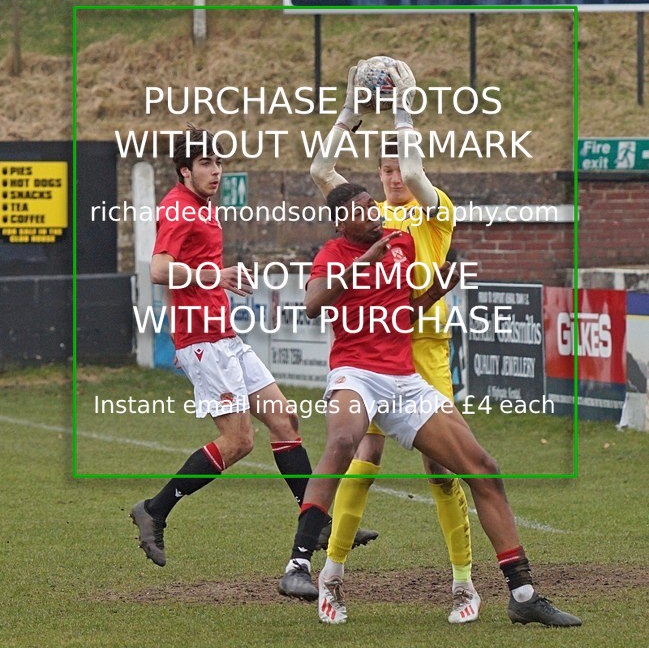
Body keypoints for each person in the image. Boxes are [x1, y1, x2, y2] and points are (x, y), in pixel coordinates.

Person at [277, 183, 581, 628]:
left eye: (372, 204)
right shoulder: (332, 253)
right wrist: (362, 264)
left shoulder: (400, 242)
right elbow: (312, 304)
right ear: (342, 222)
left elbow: (403, 314)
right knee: (344, 441)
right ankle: (299, 567)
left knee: (483, 468)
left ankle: (523, 593)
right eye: (362, 209)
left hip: (403, 378)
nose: (374, 211)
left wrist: (435, 293)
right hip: (354, 373)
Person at [308, 59, 481, 623]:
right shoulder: (373, 220)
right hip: (381, 352)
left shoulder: (435, 213)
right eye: (383, 170)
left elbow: (412, 162)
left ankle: (463, 585)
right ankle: (330, 576)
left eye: (399, 168)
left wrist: (402, 106)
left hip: (426, 353)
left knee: (442, 470)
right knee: (365, 457)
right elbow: (320, 168)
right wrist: (352, 112)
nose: (392, 177)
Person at [129, 126, 317, 566]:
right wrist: (218, 277)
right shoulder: (178, 207)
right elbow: (158, 270)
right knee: (238, 441)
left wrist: (223, 282)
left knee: (285, 420)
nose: (216, 172)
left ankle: (317, 521)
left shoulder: (205, 206)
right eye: (207, 165)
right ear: (185, 170)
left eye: (219, 163)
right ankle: (154, 510)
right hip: (201, 341)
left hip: (223, 334)